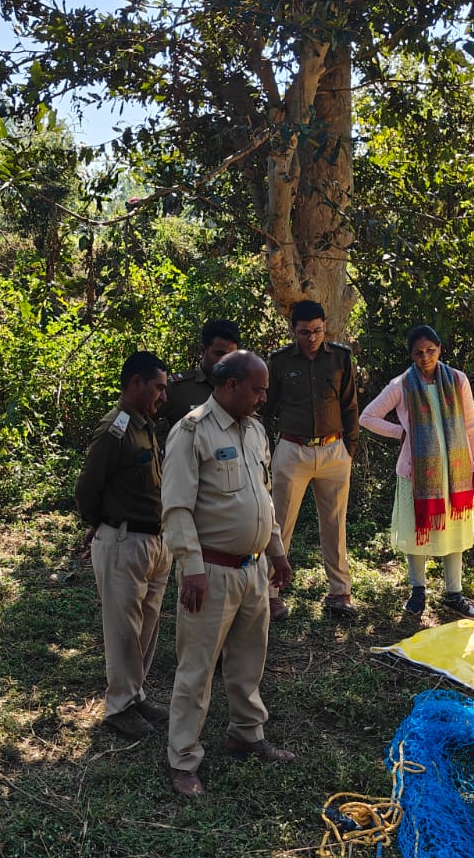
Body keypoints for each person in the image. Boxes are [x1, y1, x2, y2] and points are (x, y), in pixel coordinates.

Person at [162, 350, 294, 797]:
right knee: (196, 669)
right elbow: (177, 508)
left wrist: (276, 552)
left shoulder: (256, 431)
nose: (263, 397)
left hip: (253, 570)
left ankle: (247, 733)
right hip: (211, 574)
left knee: (248, 660)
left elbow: (264, 499)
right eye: (257, 388)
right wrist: (192, 569)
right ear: (230, 385)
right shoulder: (191, 431)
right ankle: (183, 759)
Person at [358, 325, 474, 619]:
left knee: (453, 529)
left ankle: (453, 593)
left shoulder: (457, 380)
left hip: (455, 472)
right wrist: (401, 432)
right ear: (411, 355)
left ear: (440, 349)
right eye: (418, 353)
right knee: (417, 531)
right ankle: (418, 591)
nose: (425, 357)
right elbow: (367, 417)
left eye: (430, 350)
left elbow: (470, 424)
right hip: (417, 474)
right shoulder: (401, 385)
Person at [74, 351, 173, 739]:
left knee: (146, 628)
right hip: (123, 540)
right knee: (122, 630)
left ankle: (136, 695)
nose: (163, 396)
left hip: (155, 541)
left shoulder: (144, 426)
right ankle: (119, 707)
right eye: (158, 387)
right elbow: (87, 489)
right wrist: (101, 524)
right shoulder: (115, 429)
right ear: (135, 383)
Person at [263, 301, 360, 620]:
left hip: (334, 450)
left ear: (325, 326)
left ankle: (339, 591)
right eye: (304, 332)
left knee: (335, 524)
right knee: (279, 524)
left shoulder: (341, 357)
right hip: (292, 450)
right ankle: (270, 593)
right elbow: (266, 408)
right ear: (292, 330)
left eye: (318, 331)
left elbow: (349, 406)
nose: (312, 338)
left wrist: (349, 450)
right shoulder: (277, 362)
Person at [161, 319, 240, 434]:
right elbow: (140, 419)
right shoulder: (177, 388)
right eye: (219, 354)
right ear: (203, 351)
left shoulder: (241, 388)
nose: (226, 361)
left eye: (232, 356)